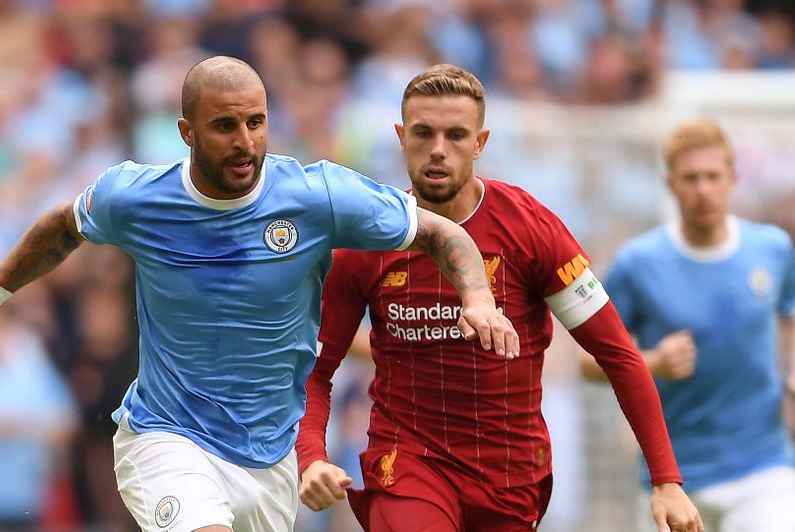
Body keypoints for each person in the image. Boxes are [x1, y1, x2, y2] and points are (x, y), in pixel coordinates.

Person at [0, 56, 519, 532]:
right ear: (186, 132)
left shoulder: (317, 195)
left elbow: (443, 233)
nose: (245, 142)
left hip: (271, 457)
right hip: (167, 437)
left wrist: (478, 299)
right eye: (224, 127)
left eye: (257, 122)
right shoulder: (134, 198)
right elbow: (61, 229)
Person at [295, 64, 702, 532]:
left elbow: (618, 356)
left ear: (481, 143)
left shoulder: (531, 229)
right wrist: (311, 457)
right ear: (401, 137)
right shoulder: (369, 240)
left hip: (509, 474)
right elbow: (316, 369)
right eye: (424, 133)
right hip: (408, 462)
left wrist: (666, 480)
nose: (438, 151)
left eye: (456, 135)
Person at [580, 119, 795, 531]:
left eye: (713, 177)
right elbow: (586, 361)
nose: (703, 190)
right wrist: (653, 361)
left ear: (732, 179)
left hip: (762, 466)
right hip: (673, 476)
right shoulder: (638, 264)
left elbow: (789, 314)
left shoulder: (771, 249)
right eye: (691, 179)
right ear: (670, 184)